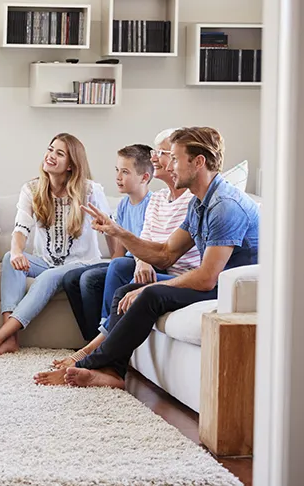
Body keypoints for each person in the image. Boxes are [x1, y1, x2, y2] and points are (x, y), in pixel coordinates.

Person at [35, 126, 259, 388]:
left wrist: (150, 287)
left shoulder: (225, 206)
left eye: (175, 159)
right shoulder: (200, 202)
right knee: (126, 291)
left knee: (149, 294)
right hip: (215, 282)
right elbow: (166, 254)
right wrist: (118, 231)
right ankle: (114, 372)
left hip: (233, 290)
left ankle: (88, 363)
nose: (168, 166)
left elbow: (208, 278)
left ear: (198, 162)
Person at [48, 129, 202, 370]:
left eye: (162, 153)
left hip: (174, 271)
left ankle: (98, 348)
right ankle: (97, 343)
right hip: (149, 263)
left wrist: (138, 255)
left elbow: (168, 254)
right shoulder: (159, 199)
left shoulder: (194, 202)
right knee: (103, 271)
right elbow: (147, 241)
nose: (153, 158)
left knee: (111, 273)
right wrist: (140, 258)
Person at [0, 133, 111, 358]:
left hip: (82, 264)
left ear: (71, 164)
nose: (51, 156)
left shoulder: (90, 190)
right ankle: (11, 339)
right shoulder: (32, 189)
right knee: (9, 258)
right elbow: (21, 229)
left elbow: (110, 227)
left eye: (60, 153)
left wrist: (115, 260)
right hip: (46, 262)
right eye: (50, 149)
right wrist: (17, 251)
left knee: (48, 277)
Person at [62, 144, 154, 341]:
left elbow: (151, 248)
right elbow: (118, 254)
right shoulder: (123, 205)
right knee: (70, 279)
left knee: (90, 279)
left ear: (144, 177)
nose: (118, 177)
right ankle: (92, 339)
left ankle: (106, 334)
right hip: (124, 264)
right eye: (117, 170)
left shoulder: (153, 204)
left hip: (142, 264)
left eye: (125, 172)